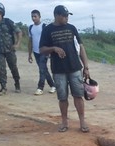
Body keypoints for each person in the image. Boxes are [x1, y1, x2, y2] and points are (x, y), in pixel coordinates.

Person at [39, 5, 90, 133]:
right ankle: (64, 122)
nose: (67, 18)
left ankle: (82, 122)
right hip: (58, 70)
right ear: (57, 15)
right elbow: (41, 50)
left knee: (78, 95)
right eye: (64, 16)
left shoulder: (72, 28)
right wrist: (53, 48)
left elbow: (81, 48)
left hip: (75, 67)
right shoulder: (48, 30)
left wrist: (86, 67)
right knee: (62, 97)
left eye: (67, 16)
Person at [27, 9, 56, 95]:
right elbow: (30, 41)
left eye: (35, 16)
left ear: (39, 17)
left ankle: (40, 87)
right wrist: (29, 54)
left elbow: (50, 39)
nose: (33, 18)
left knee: (42, 69)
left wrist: (50, 51)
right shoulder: (31, 28)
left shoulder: (44, 27)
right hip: (36, 52)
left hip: (44, 51)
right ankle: (53, 85)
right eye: (32, 16)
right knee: (43, 69)